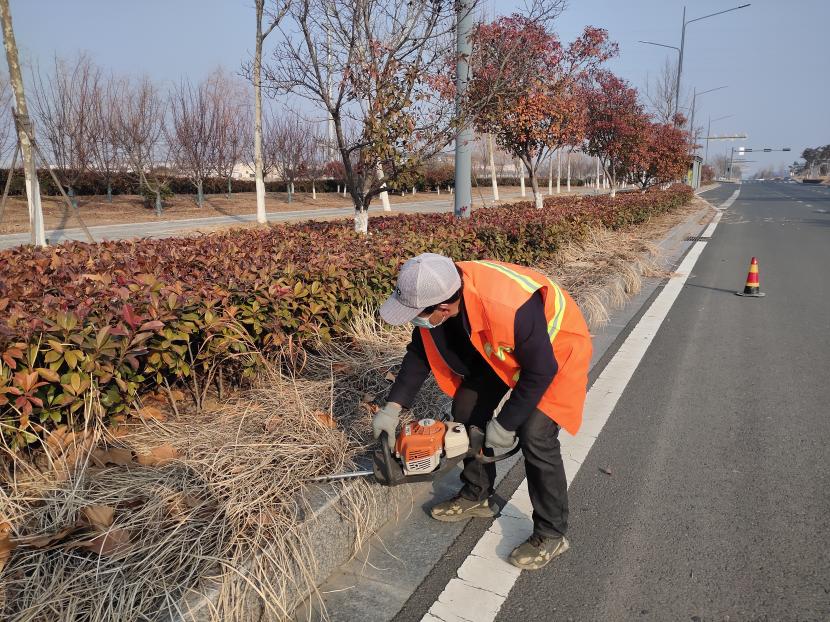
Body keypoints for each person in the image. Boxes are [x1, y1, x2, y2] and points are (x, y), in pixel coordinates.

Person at [373, 253, 592, 570]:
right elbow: (419, 353)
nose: (412, 320)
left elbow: (540, 370)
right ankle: (477, 494)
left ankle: (551, 533)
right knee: (466, 408)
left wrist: (506, 424)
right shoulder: (442, 290)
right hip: (503, 348)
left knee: (535, 434)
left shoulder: (509, 306)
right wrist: (392, 408)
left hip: (555, 350)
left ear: (443, 308)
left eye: (414, 314)